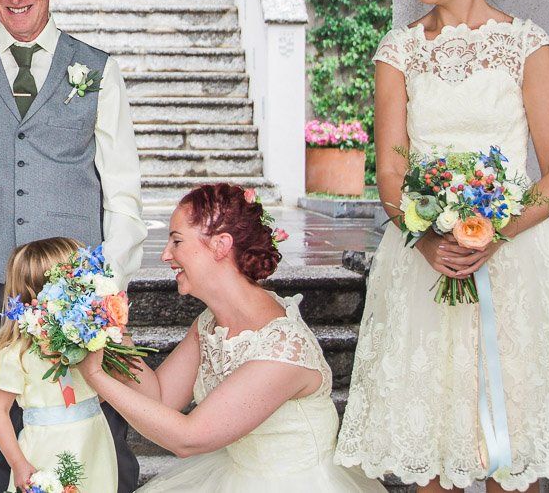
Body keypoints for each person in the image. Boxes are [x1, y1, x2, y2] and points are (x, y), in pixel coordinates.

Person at [335, 0, 549, 491]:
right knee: (434, 455)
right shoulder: (398, 52)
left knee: (512, 453)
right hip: (423, 266)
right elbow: (391, 172)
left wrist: (493, 233)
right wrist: (428, 240)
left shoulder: (525, 46)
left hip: (516, 264)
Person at [0, 0, 145, 493]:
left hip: (76, 287)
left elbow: (123, 188)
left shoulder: (97, 68)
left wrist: (109, 283)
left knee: (99, 430)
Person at [79, 183, 384, 493]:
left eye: (177, 241)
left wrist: (95, 376)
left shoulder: (283, 348)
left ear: (220, 245)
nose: (165, 254)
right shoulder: (210, 323)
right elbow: (160, 398)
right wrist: (115, 334)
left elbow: (188, 439)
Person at [0, 237, 122, 492]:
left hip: (93, 444)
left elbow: (100, 393)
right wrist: (18, 463)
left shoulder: (87, 342)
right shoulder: (17, 353)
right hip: (46, 450)